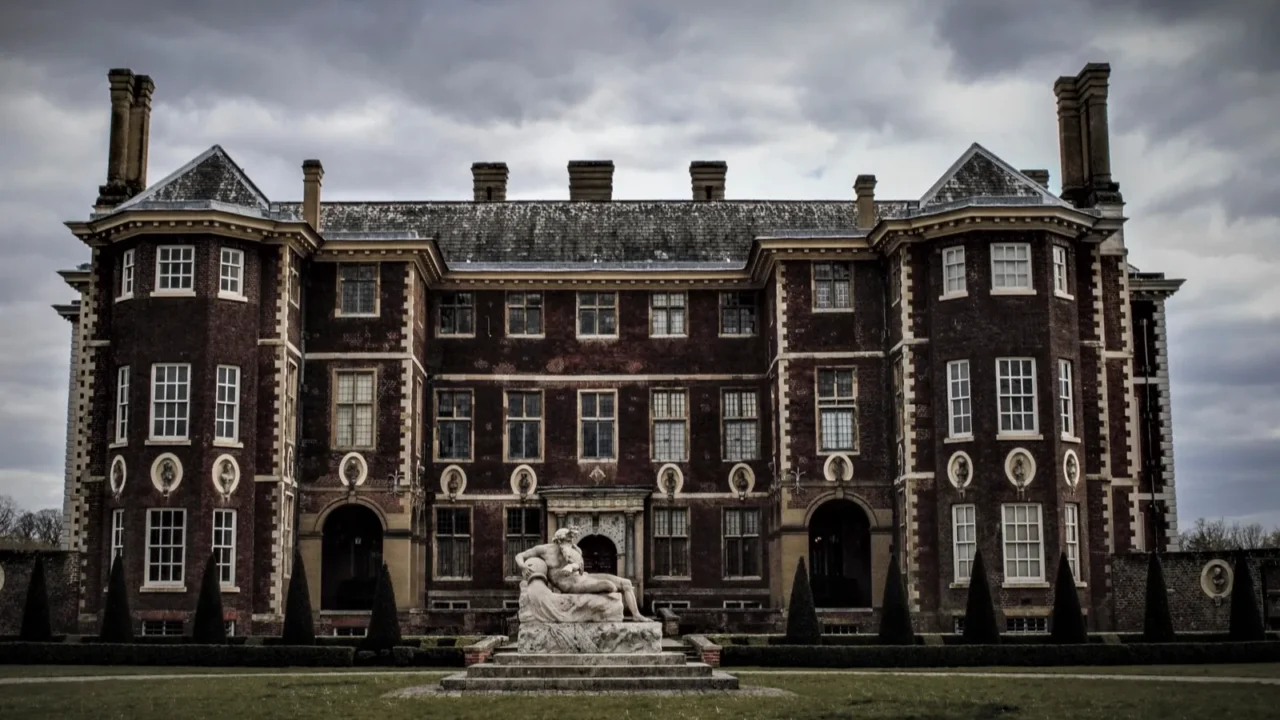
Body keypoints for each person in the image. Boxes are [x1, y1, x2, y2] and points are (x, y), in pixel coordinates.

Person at [515, 527, 648, 621]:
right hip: (572, 586)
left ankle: (636, 615)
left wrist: (573, 566)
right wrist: (522, 566)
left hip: (584, 578)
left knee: (626, 583)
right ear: (559, 541)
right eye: (568, 540)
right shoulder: (544, 550)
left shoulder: (575, 550)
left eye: (571, 541)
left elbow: (580, 568)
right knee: (610, 586)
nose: (570, 543)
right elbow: (520, 555)